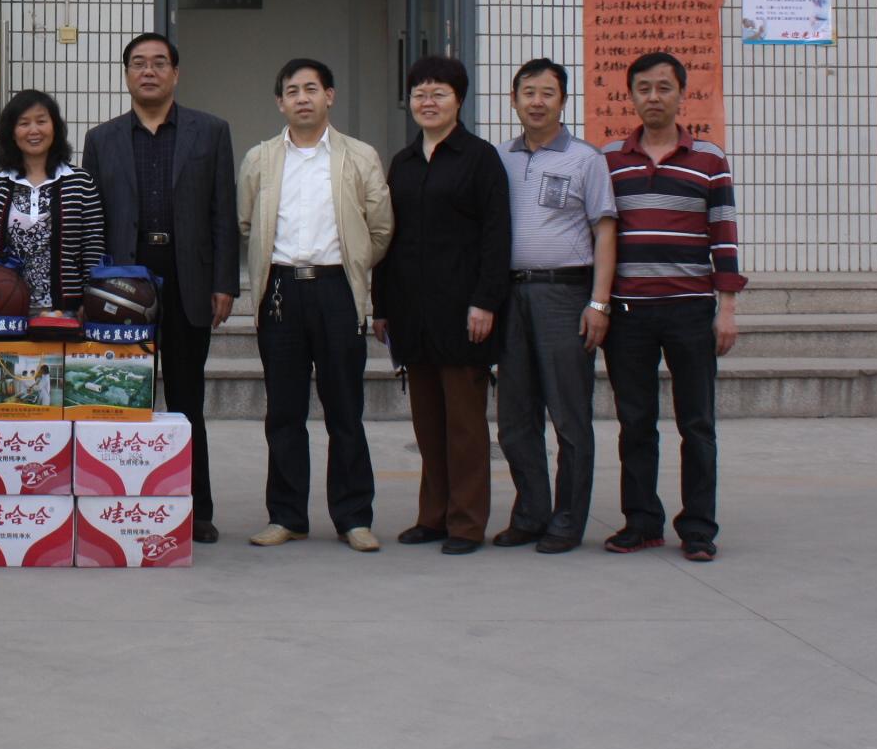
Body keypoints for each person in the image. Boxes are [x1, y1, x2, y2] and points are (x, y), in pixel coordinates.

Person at [82, 32, 237, 543]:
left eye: (158, 63)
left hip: (188, 277)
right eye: (138, 63)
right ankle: (126, 503)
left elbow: (223, 211)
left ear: (176, 73)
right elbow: (91, 220)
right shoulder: (102, 139)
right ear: (126, 74)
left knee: (188, 400)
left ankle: (197, 509)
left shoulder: (210, 132)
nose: (148, 71)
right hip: (124, 284)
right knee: (125, 398)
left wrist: (224, 283)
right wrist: (90, 288)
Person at [237, 58, 393, 553]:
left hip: (337, 290)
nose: (302, 98)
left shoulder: (359, 156)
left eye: (311, 88)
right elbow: (247, 222)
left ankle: (354, 517)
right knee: (283, 412)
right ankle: (287, 516)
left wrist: (355, 264)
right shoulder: (260, 158)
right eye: (292, 90)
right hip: (281, 290)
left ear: (330, 96)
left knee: (345, 409)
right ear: (279, 102)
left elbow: (381, 227)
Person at [601, 50, 745, 562]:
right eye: (643, 88)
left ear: (682, 94)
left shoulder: (709, 159)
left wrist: (726, 309)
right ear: (631, 96)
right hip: (629, 313)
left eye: (664, 87)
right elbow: (601, 235)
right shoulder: (610, 160)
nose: (654, 97)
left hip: (690, 311)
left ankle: (699, 528)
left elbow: (723, 236)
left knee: (697, 424)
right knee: (635, 423)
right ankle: (641, 522)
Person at [374, 54, 511, 556]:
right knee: (428, 425)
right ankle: (431, 516)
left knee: (466, 428)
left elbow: (497, 236)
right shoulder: (403, 162)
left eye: (439, 93)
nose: (427, 102)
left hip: (464, 312)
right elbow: (387, 237)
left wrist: (486, 301)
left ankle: (466, 523)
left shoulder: (480, 158)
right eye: (419, 93)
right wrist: (381, 306)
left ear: (459, 100)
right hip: (412, 313)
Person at [492, 59, 617, 554]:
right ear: (514, 100)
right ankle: (530, 514)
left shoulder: (586, 159)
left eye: (548, 93)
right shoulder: (500, 157)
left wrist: (599, 303)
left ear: (563, 101)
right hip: (510, 296)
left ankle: (567, 520)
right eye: (528, 92)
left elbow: (604, 231)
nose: (537, 101)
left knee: (569, 417)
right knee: (514, 418)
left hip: (565, 295)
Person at [0, 90, 106, 312]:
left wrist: (90, 302)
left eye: (41, 121)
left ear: (55, 128)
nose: (33, 130)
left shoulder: (80, 182)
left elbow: (93, 248)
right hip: (5, 310)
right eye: (24, 123)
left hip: (68, 311)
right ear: (11, 132)